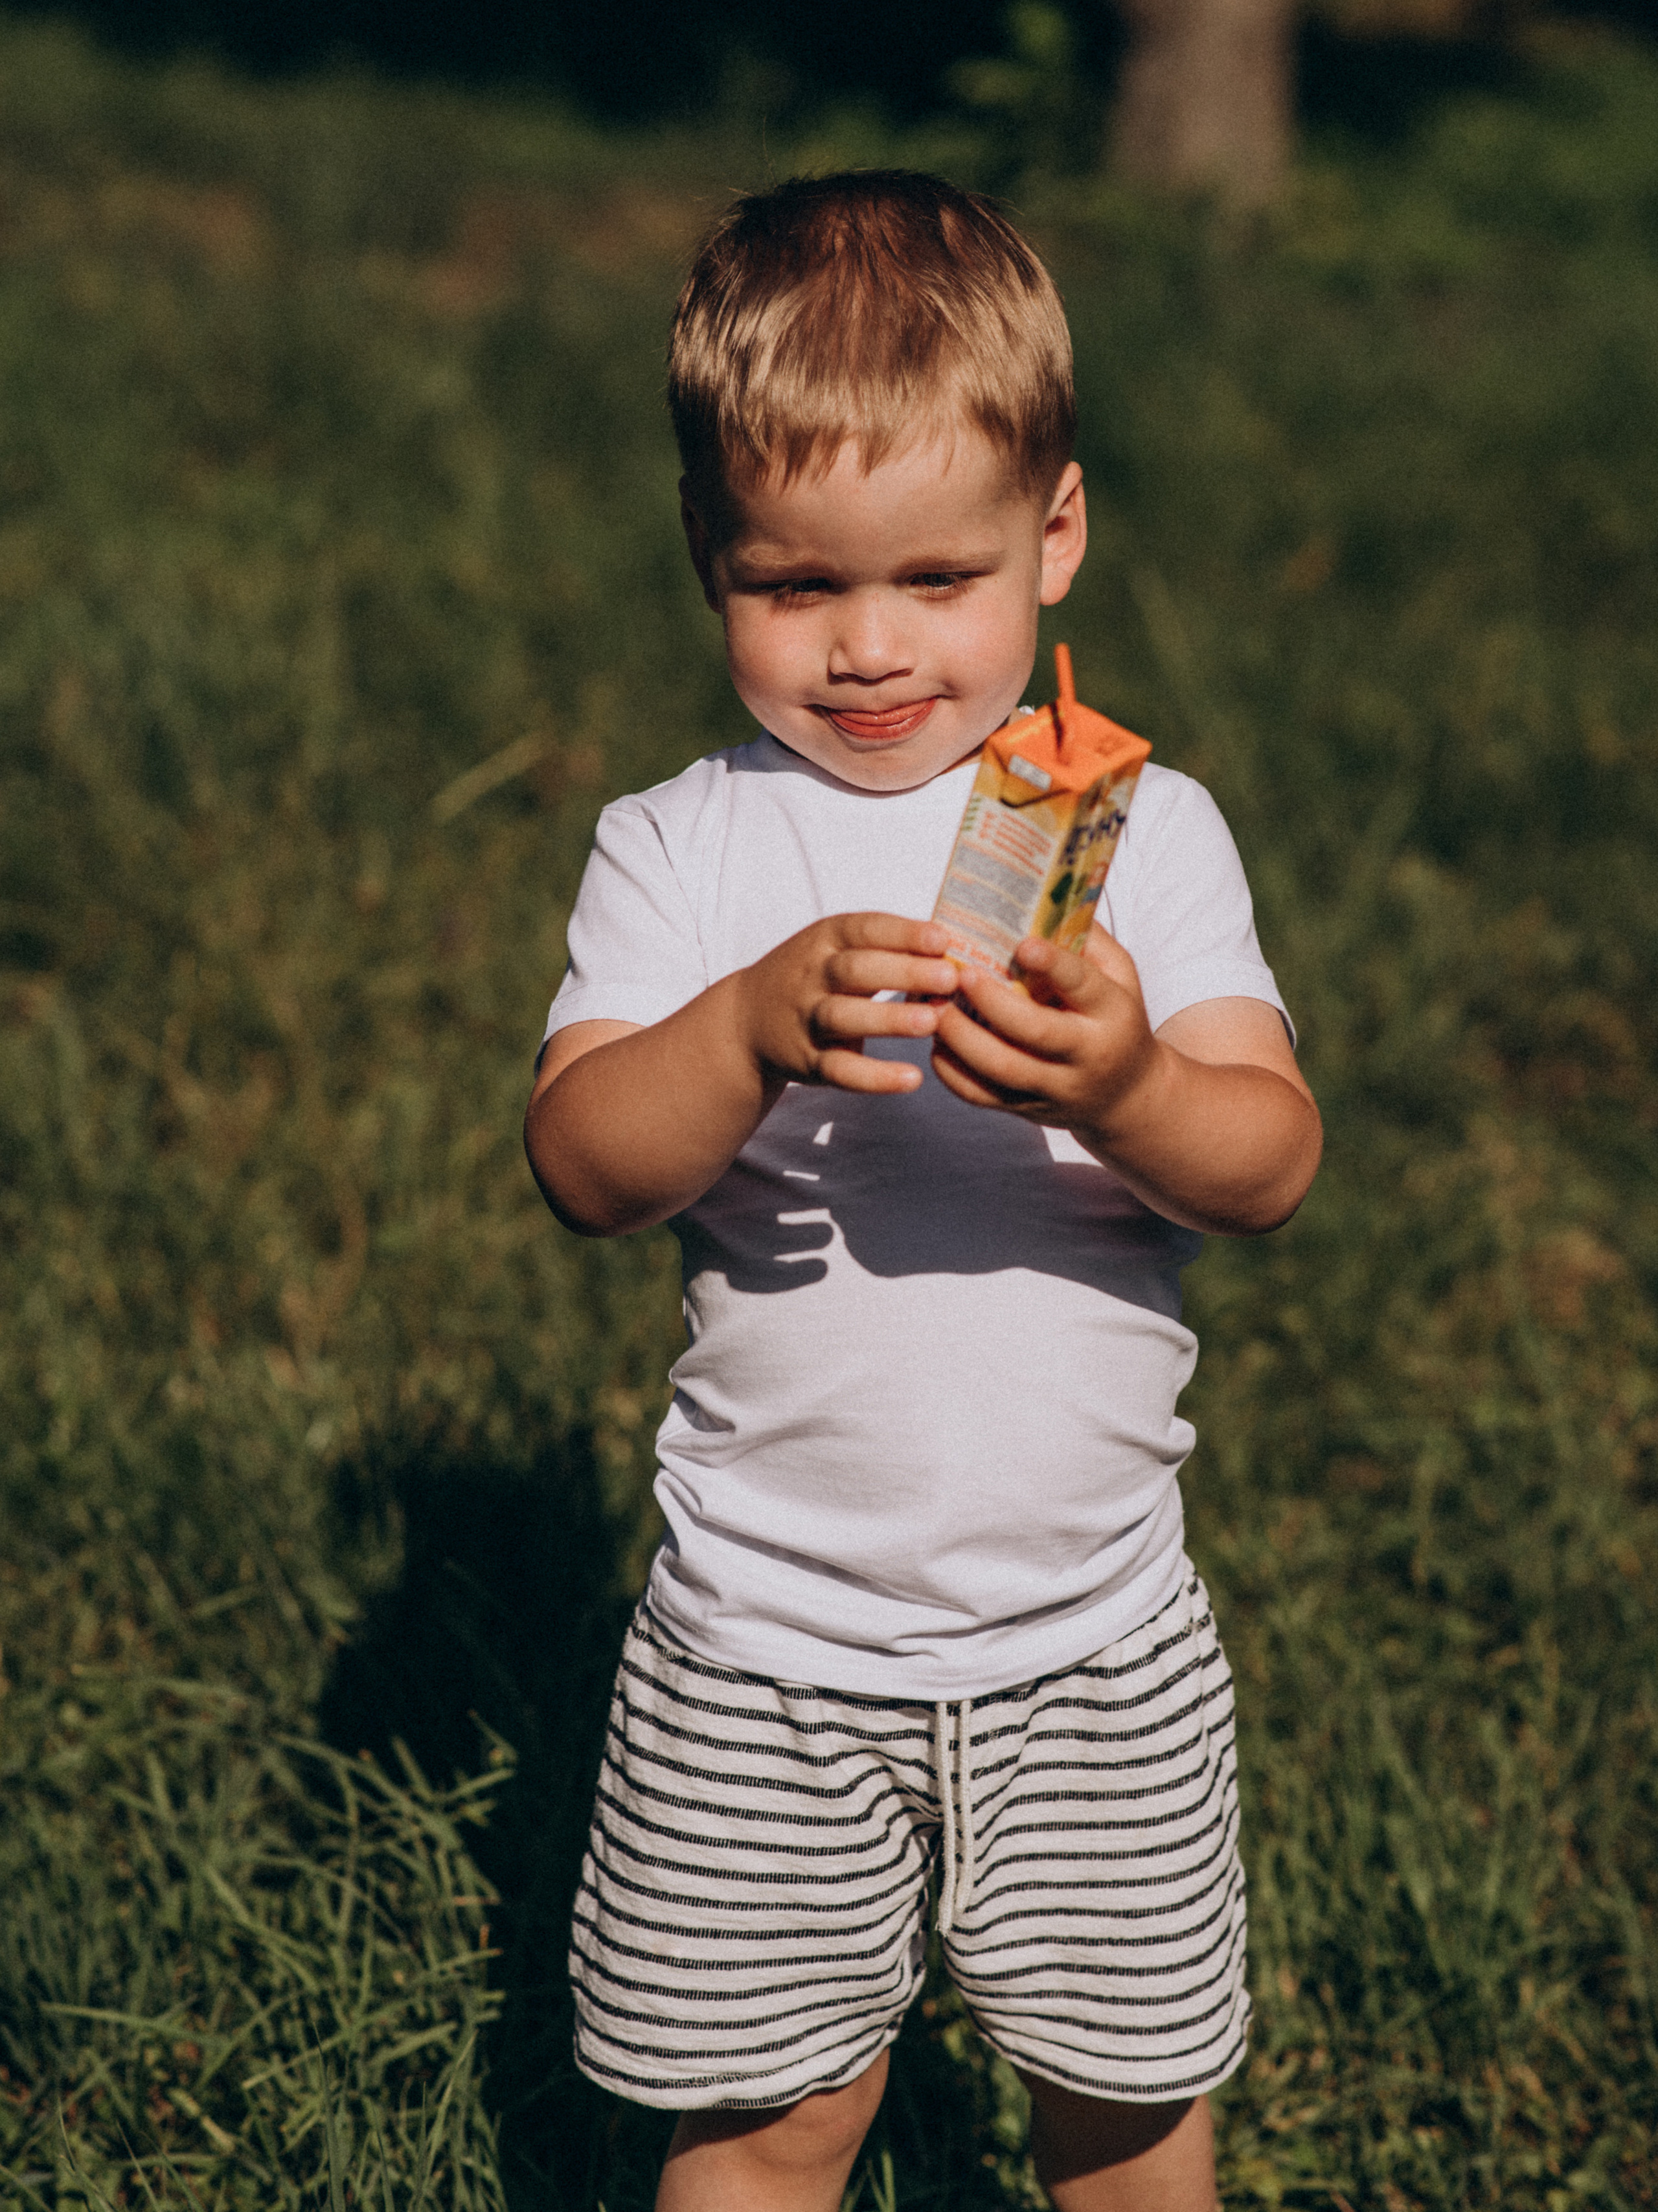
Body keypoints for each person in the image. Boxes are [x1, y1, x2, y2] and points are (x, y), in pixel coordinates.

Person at [525, 170, 1321, 2212]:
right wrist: (738, 1029)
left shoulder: (1135, 831)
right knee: (768, 2127)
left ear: (1056, 536)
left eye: (941, 577)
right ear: (707, 553)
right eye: (795, 585)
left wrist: (1130, 1082)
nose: (871, 646)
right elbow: (584, 1164)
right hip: (765, 1637)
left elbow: (1269, 1161)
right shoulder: (685, 851)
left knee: (1127, 2115)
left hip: (1093, 1634)